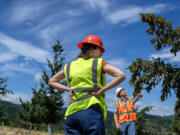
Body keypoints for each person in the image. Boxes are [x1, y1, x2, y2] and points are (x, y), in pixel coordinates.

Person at [48, 35, 126, 135]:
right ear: (92, 49)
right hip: (91, 111)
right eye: (100, 50)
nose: (102, 53)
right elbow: (121, 75)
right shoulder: (98, 63)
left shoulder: (70, 66)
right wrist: (101, 91)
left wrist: (68, 89)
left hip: (72, 113)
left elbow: (51, 81)